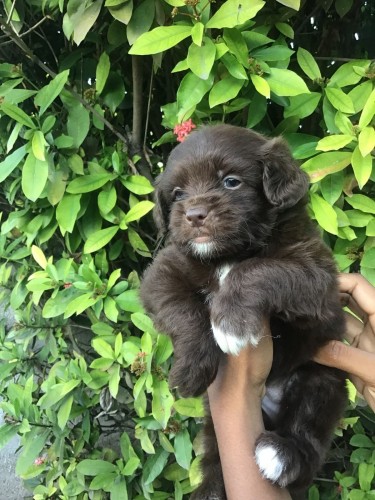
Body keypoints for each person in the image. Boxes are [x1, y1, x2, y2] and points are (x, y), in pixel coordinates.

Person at [207, 273, 375, 500]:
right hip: (257, 377)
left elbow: (306, 270)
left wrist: (237, 387)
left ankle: (298, 456)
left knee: (322, 385)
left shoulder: (287, 251)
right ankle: (215, 480)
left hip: (303, 366)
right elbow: (163, 287)